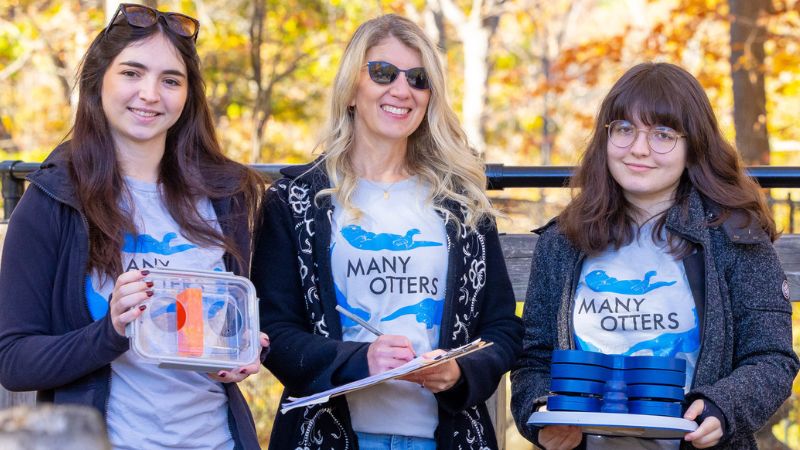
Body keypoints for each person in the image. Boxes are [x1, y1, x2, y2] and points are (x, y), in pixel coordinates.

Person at [0, 4, 267, 449]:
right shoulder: (54, 200)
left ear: (188, 96)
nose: (150, 94)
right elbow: (13, 361)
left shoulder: (227, 196)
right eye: (131, 73)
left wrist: (240, 351)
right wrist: (110, 332)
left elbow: (228, 329)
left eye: (171, 80)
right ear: (98, 81)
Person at [251, 13, 523, 450]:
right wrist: (362, 361)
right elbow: (273, 329)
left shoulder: (463, 204)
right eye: (382, 72)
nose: (402, 89)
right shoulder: (295, 200)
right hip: (326, 439)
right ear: (351, 88)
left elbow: (502, 329)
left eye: (418, 79)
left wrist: (458, 371)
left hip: (447, 439)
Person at [510, 62, 800, 450]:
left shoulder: (733, 236)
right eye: (624, 129)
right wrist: (542, 412)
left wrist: (722, 408)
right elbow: (534, 361)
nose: (639, 148)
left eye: (662, 134)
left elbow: (771, 357)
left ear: (693, 145)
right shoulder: (563, 241)